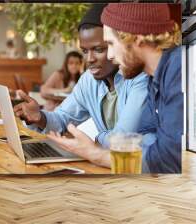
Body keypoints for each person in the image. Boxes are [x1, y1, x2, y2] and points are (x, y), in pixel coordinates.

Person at [48, 3, 183, 173]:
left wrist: (94, 153)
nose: (110, 55)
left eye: (111, 44)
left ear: (137, 38)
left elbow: (166, 160)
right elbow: (152, 143)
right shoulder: (155, 80)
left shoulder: (177, 72)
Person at [14, 4, 151, 147]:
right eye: (85, 51)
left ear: (118, 44)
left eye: (98, 49)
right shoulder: (88, 80)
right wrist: (39, 117)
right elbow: (62, 119)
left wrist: (98, 138)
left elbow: (122, 139)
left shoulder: (139, 77)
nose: (89, 59)